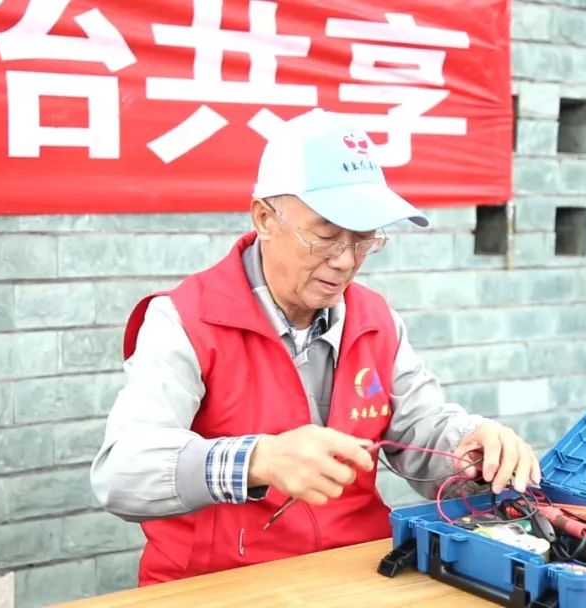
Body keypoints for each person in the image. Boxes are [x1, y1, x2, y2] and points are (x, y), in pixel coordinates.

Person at [90, 109, 541, 585]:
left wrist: (470, 446)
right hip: (219, 583)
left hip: (355, 574)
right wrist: (258, 460)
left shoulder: (375, 319)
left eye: (364, 239)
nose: (345, 261)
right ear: (264, 217)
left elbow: (422, 432)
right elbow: (121, 472)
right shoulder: (184, 319)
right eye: (325, 236)